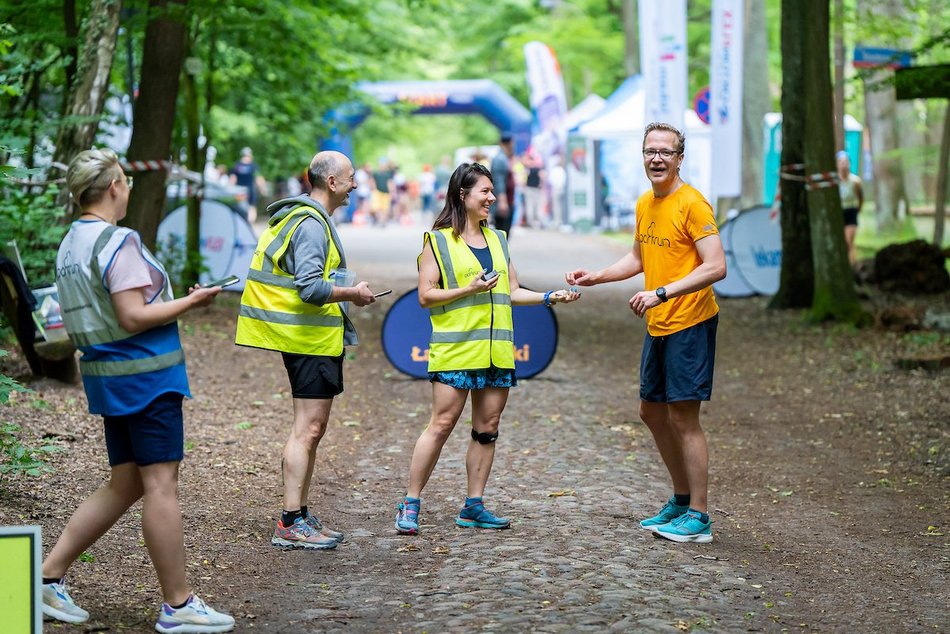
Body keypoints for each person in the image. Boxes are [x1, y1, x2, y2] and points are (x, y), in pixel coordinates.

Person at [43, 148, 234, 632]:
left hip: (109, 379)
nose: (128, 188)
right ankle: (178, 604)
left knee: (125, 482)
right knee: (159, 485)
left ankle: (46, 577)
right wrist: (191, 301)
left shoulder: (70, 244)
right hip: (146, 380)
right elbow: (131, 315)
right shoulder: (117, 241)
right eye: (126, 181)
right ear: (114, 187)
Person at [393, 162, 580, 535]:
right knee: (441, 425)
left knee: (487, 428)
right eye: (485, 191)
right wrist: (469, 288)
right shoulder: (438, 241)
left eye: (493, 191)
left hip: (496, 353)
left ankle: (473, 505)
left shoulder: (498, 239)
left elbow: (510, 290)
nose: (492, 198)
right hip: (456, 351)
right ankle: (410, 503)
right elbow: (426, 296)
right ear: (463, 195)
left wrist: (548, 296)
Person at [566, 122, 726, 544]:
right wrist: (596, 276)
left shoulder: (693, 204)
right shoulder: (645, 203)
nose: (657, 158)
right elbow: (639, 256)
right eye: (650, 151)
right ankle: (680, 498)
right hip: (660, 322)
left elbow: (715, 266)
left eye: (666, 152)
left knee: (683, 418)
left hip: (690, 320)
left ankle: (700, 517)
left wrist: (661, 292)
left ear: (679, 158)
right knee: (651, 412)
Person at [235, 150, 378, 550]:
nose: (355, 184)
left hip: (311, 340)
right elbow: (311, 288)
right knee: (308, 429)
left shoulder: (307, 218)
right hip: (307, 341)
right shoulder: (312, 224)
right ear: (331, 182)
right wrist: (355, 293)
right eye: (350, 177)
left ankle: (299, 513)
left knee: (312, 429)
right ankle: (290, 520)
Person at [836, 150, 864, 265]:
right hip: (839, 213)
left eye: (846, 162)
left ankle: (852, 265)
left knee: (849, 241)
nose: (843, 165)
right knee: (842, 242)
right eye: (841, 162)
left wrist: (858, 210)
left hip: (851, 212)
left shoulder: (855, 181)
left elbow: (861, 197)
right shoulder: (835, 181)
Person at [230, 146, 264, 223]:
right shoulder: (253, 166)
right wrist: (262, 189)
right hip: (250, 190)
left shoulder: (237, 166)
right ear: (250, 155)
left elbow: (233, 179)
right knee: (252, 207)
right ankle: (250, 223)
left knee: (239, 206)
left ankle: (242, 222)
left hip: (239, 190)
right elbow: (258, 178)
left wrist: (230, 189)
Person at [490, 133, 515, 236]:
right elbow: (498, 181)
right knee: (502, 233)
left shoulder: (504, 158)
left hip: (507, 201)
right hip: (503, 203)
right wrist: (502, 201)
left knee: (504, 233)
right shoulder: (500, 159)